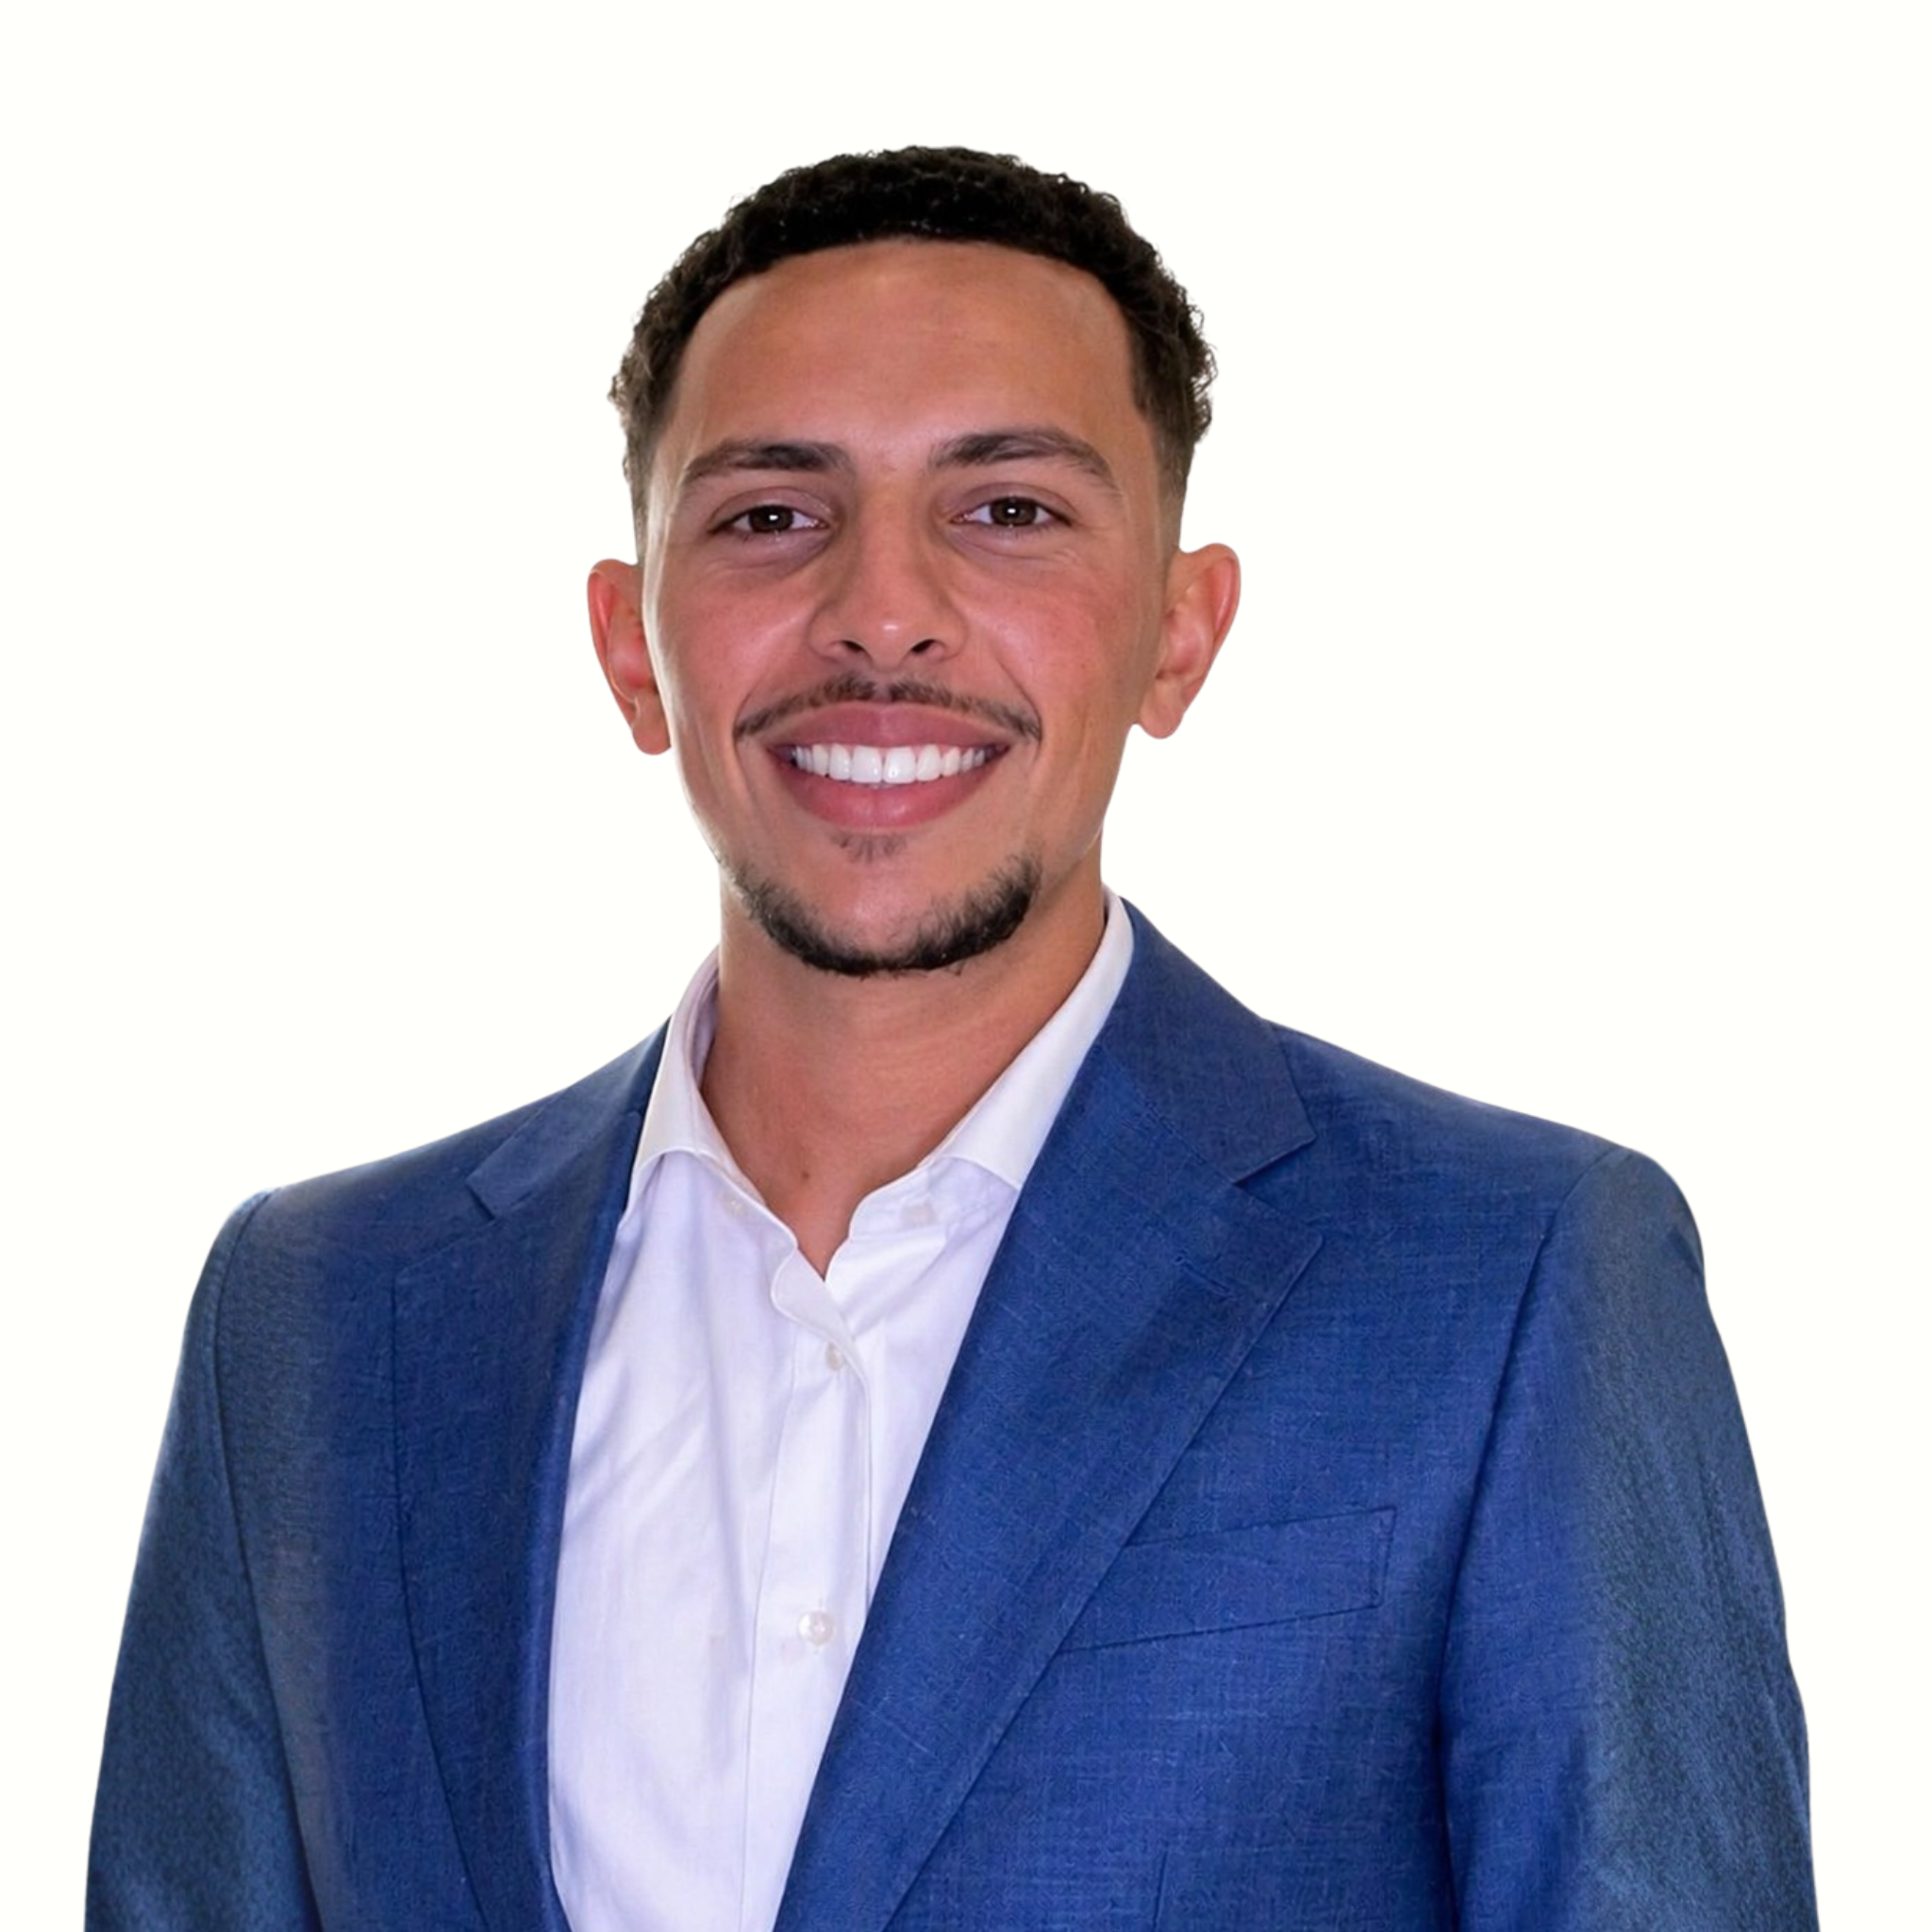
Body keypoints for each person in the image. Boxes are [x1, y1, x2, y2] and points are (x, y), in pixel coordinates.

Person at [88, 147, 1816, 1930]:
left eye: (1008, 510)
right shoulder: (312, 1319)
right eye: (772, 515)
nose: (881, 609)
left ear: (1180, 632)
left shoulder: (1512, 1281)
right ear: (631, 646)